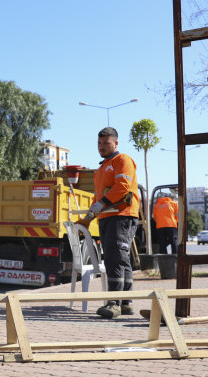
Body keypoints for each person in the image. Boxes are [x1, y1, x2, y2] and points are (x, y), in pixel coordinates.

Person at [81, 127, 140, 319]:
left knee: (116, 258)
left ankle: (114, 303)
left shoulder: (122, 160)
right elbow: (98, 197)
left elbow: (122, 187)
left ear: (116, 143)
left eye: (106, 143)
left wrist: (101, 204)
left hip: (122, 215)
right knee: (121, 259)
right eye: (99, 143)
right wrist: (88, 219)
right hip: (108, 217)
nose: (102, 147)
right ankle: (125, 303)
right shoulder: (100, 169)